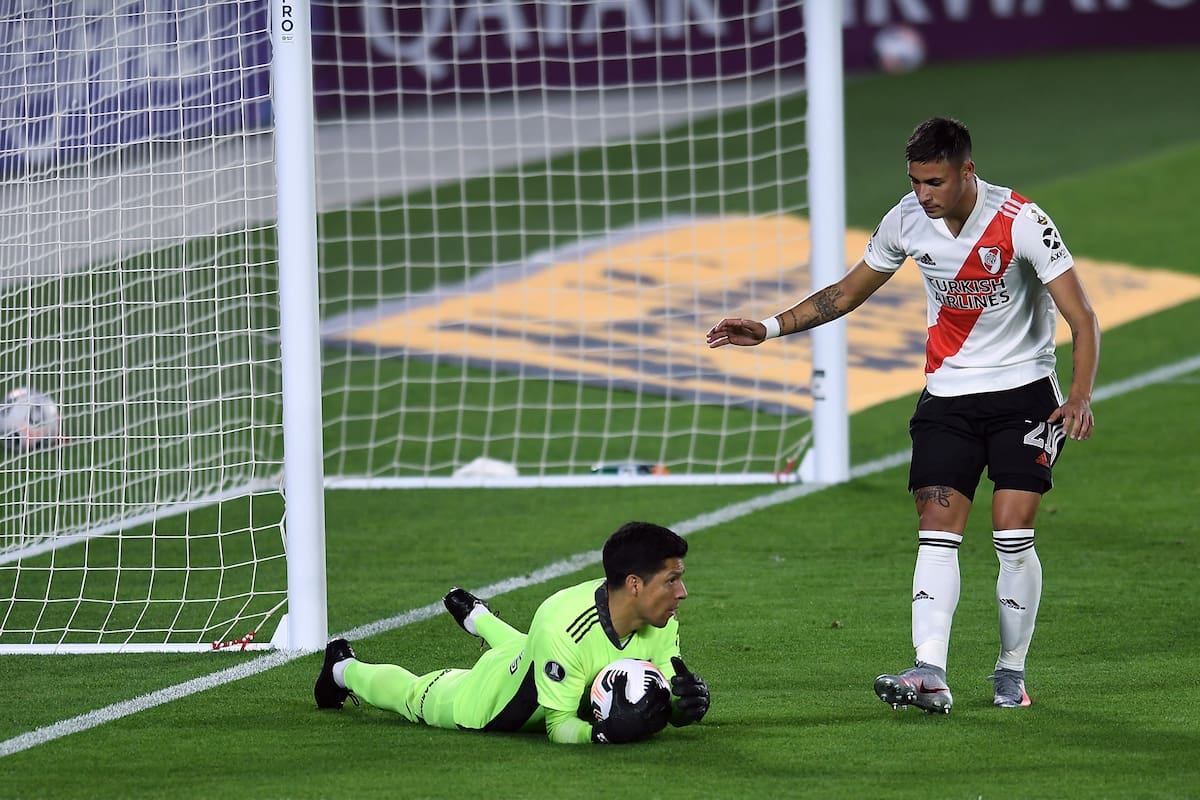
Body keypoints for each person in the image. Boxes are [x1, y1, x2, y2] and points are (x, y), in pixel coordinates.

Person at [706, 117, 1099, 714]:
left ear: (967, 171)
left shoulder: (1022, 221)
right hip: (947, 397)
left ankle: (1010, 671)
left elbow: (1082, 317)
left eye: (934, 182)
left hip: (1024, 395)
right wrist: (767, 327)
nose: (923, 194)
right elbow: (847, 292)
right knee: (936, 528)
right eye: (915, 181)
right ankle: (930, 672)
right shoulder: (907, 218)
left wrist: (1080, 396)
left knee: (1011, 532)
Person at [313, 520, 710, 743]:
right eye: (671, 581)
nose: (682, 593)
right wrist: (602, 735)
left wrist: (684, 707)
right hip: (490, 698)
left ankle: (478, 617)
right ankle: (342, 669)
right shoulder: (564, 626)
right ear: (635, 584)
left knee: (532, 648)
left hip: (537, 657)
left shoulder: (659, 616)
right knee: (413, 695)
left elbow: (665, 692)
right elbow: (558, 726)